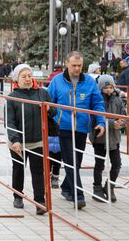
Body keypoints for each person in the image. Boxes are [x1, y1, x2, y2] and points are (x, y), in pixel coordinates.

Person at [48, 51, 106, 209]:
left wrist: (101, 122)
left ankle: (66, 187)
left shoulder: (89, 82)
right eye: (74, 65)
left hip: (81, 127)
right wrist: (53, 119)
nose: (77, 68)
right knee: (70, 161)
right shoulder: (57, 81)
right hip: (63, 127)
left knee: (77, 162)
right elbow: (49, 102)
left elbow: (97, 103)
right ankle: (78, 195)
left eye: (80, 66)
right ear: (67, 63)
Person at [6, 64, 55, 215]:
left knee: (38, 171)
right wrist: (14, 140)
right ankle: (18, 196)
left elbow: (53, 111)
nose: (27, 79)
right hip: (18, 141)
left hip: (37, 140)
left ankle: (40, 201)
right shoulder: (12, 97)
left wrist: (49, 109)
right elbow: (10, 121)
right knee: (19, 168)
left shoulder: (42, 93)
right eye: (24, 76)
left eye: (29, 76)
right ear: (17, 80)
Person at [90, 75, 126, 203]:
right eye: (106, 88)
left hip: (114, 138)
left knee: (116, 164)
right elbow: (95, 117)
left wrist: (121, 123)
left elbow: (124, 116)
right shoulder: (96, 100)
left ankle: (109, 186)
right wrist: (111, 123)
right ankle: (97, 188)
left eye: (111, 87)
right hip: (100, 138)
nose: (109, 90)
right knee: (99, 164)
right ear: (100, 88)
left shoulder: (118, 100)